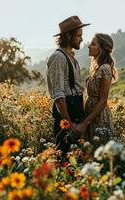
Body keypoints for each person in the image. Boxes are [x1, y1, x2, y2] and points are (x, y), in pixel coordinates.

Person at [46, 16, 90, 156]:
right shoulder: (58, 57)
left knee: (77, 159)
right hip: (66, 115)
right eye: (78, 35)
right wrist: (69, 125)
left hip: (75, 110)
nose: (81, 39)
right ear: (68, 35)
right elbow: (58, 95)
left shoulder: (70, 56)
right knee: (64, 159)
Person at [75, 33, 118, 143]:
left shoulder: (105, 68)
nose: (89, 46)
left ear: (102, 49)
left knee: (99, 149)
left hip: (99, 117)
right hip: (91, 114)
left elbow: (103, 100)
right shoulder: (97, 68)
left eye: (93, 44)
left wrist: (85, 123)